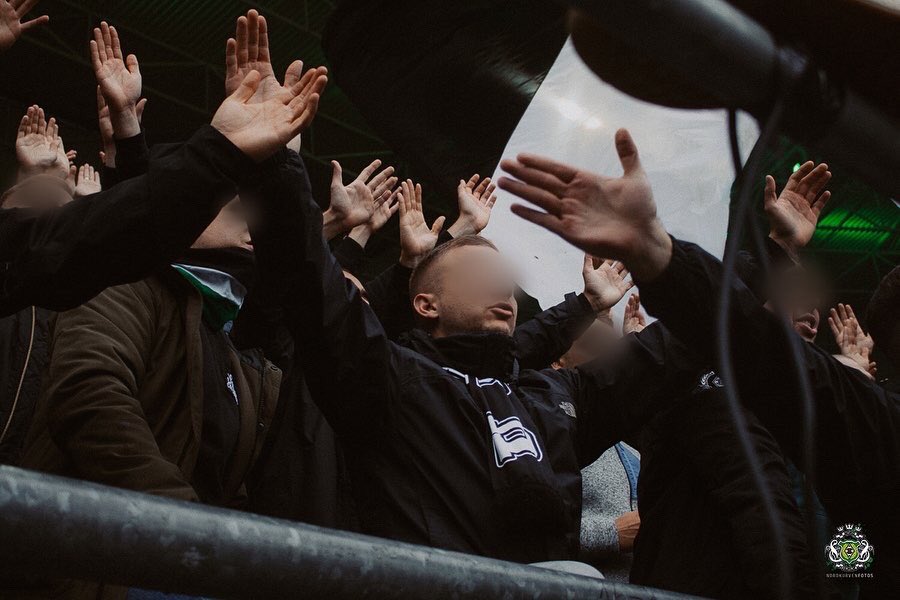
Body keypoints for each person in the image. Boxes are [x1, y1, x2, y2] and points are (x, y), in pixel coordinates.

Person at [498, 127, 899, 598]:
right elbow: (758, 508)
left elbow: (848, 525)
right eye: (789, 295)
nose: (808, 308)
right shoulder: (705, 389)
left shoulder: (860, 422)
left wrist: (848, 587)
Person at [0, 16, 327, 317]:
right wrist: (222, 153)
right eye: (238, 211)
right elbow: (93, 238)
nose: (249, 226)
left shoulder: (236, 317)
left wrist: (277, 169)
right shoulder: (127, 302)